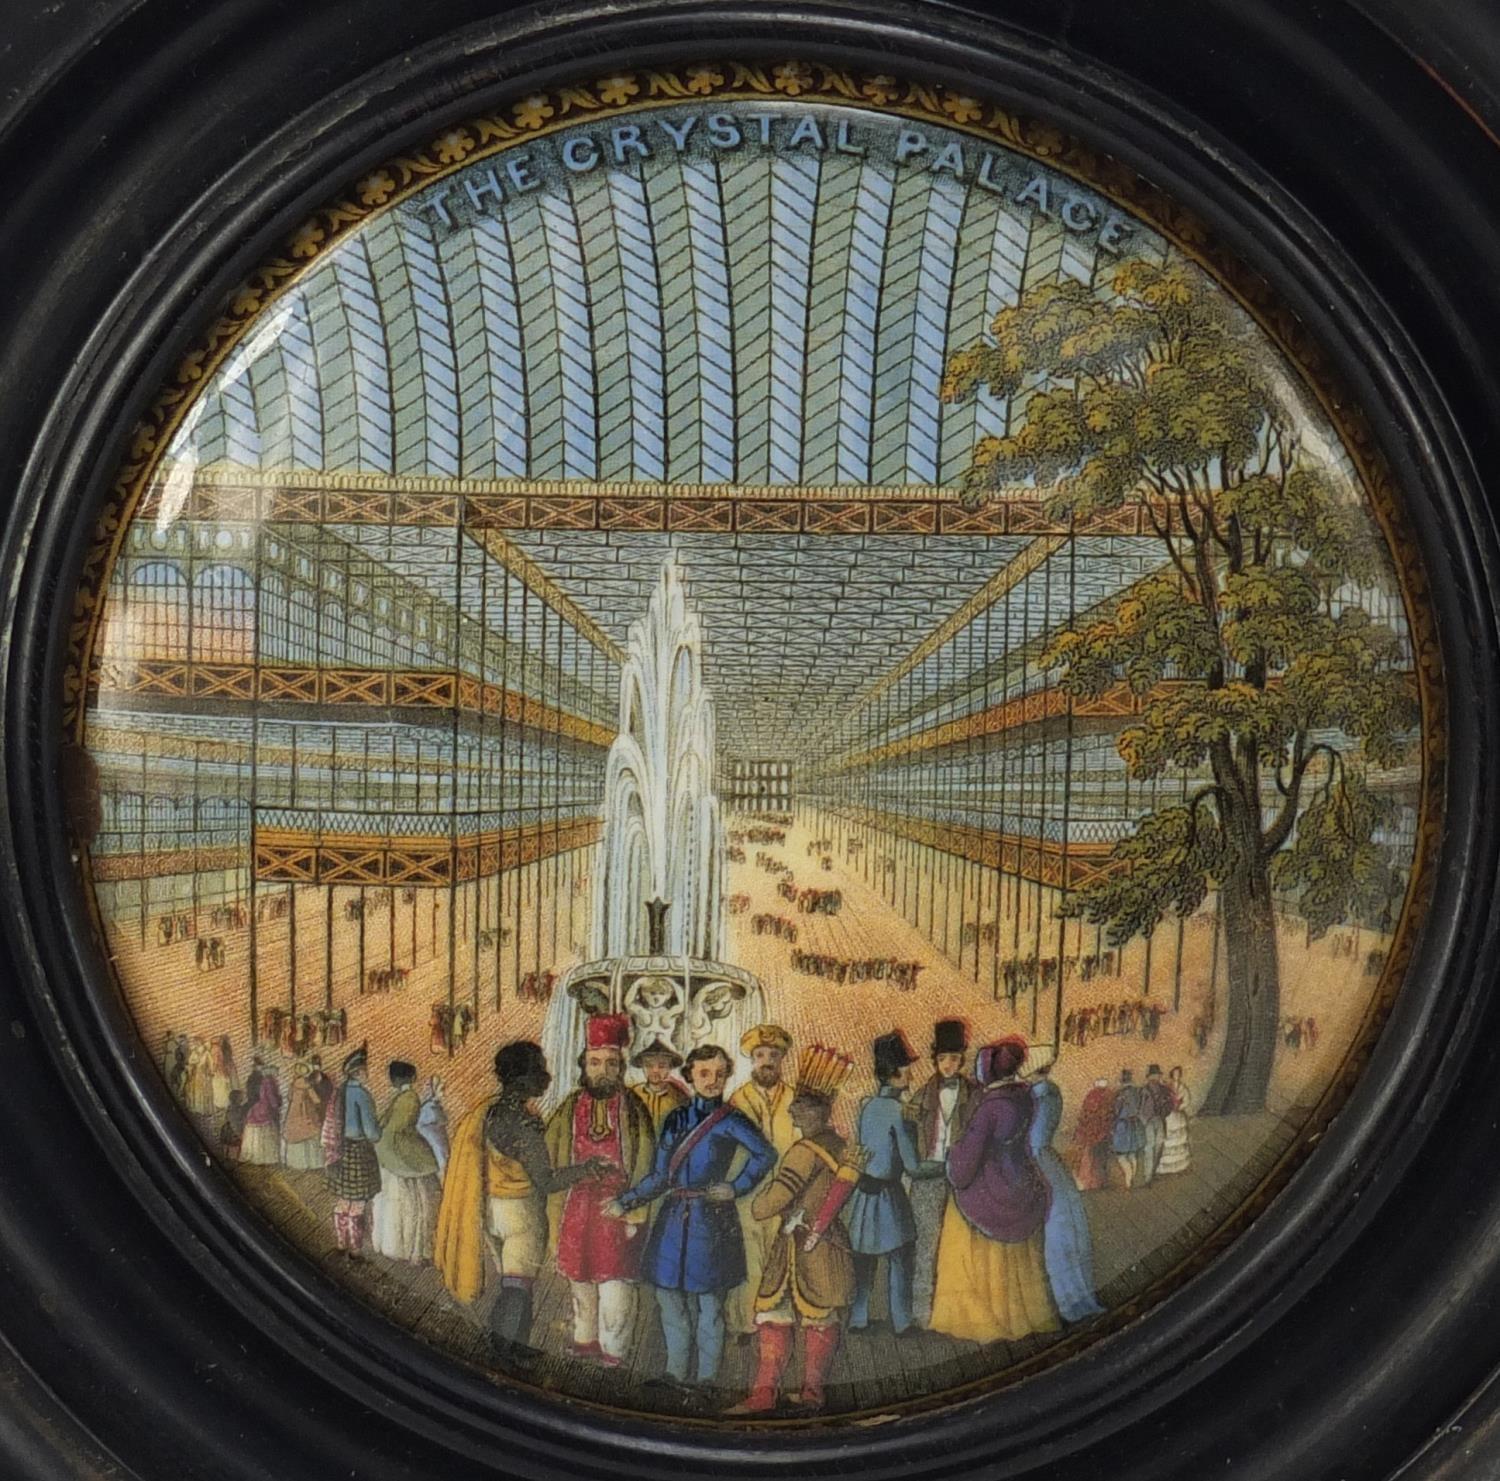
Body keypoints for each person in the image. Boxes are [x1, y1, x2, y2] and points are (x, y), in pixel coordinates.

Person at [605, 1045, 776, 1401]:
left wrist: (736, 1187)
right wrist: (626, 1201)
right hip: (672, 1220)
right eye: (703, 1074)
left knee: (710, 1305)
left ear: (727, 1075)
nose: (712, 1081)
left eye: (719, 1074)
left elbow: (765, 1154)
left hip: (711, 1222)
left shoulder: (732, 1120)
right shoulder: (675, 1119)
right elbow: (661, 1175)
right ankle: (675, 1372)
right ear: (690, 1076)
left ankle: (707, 1381)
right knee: (669, 1298)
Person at [435, 1041, 606, 1362]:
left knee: (514, 1284)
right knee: (518, 1286)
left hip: (491, 1209)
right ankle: (500, 1352)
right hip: (520, 1212)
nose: (546, 1077)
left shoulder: (490, 1111)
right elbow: (547, 1180)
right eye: (538, 1069)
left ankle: (514, 1346)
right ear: (521, 1078)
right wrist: (588, 1169)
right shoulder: (523, 1123)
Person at [727, 1046, 861, 1415]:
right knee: (818, 1317)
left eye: (800, 1105)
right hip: (827, 1244)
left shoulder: (805, 1151)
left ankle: (765, 1394)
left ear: (818, 1110)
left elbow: (768, 1202)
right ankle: (810, 1393)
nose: (792, 1110)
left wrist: (756, 1206)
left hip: (799, 1246)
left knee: (779, 1314)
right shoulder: (839, 1144)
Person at [929, 1037, 1059, 1343]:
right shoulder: (1024, 1097)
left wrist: (951, 1157)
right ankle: (1020, 1316)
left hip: (990, 1187)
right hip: (1020, 1183)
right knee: (1020, 1261)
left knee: (962, 1241)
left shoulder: (991, 1106)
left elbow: (963, 1168)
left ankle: (979, 1320)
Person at [545, 1015, 655, 1366]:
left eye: (610, 1063)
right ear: (584, 1065)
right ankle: (585, 1340)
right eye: (594, 1063)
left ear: (621, 1067)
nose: (602, 1070)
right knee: (580, 1281)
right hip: (576, 1207)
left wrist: (633, 1210)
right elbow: (551, 1153)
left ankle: (615, 1353)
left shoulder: (633, 1109)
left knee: (616, 1287)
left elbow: (647, 1161)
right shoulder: (569, 1107)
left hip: (616, 1209)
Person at [846, 1031, 943, 1337]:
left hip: (864, 1196)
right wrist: (944, 1165)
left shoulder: (867, 1106)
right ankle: (901, 1322)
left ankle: (858, 1318)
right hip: (888, 1196)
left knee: (864, 1261)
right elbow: (913, 1168)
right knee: (901, 1257)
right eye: (906, 1068)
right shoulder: (899, 1113)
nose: (911, 1073)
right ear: (894, 1073)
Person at [728, 1023, 797, 1338]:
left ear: (782, 1059)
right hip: (746, 1194)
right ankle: (744, 1322)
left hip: (786, 1193)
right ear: (751, 1060)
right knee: (747, 1257)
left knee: (782, 1254)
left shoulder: (795, 1101)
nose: (766, 1060)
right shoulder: (736, 1101)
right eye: (760, 1055)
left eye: (773, 1054)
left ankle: (776, 1321)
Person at [1027, 1046, 1103, 1323]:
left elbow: (1033, 1137)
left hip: (1037, 1160)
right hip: (1049, 1160)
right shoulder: (1050, 1092)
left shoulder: (1039, 1097)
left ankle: (1067, 1300)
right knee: (1066, 1226)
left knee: (1055, 1232)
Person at [909, 1019, 977, 1327]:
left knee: (962, 1246)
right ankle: (922, 1314)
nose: (948, 1065)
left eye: (953, 1058)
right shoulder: (922, 1095)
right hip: (929, 1176)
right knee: (926, 1245)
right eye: (942, 1059)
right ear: (935, 1061)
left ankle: (957, 1313)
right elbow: (907, 1132)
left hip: (963, 1178)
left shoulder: (975, 1094)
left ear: (962, 1060)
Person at [372, 1061, 442, 1264]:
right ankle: (413, 1249)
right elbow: (402, 1126)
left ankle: (396, 1246)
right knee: (417, 1202)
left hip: (389, 1150)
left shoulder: (400, 1098)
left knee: (400, 1200)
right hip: (401, 1152)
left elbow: (384, 1123)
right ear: (412, 1078)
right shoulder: (411, 1097)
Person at [321, 1044, 382, 1258]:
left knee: (342, 1200)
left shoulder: (340, 1092)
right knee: (358, 1202)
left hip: (340, 1151)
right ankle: (355, 1248)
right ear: (357, 1071)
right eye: (365, 1068)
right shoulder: (362, 1095)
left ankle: (340, 1243)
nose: (367, 1071)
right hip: (359, 1151)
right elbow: (372, 1133)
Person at [630, 1039, 688, 1135]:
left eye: (661, 1066)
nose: (655, 1070)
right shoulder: (633, 1094)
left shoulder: (679, 1098)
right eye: (649, 1065)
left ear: (670, 1068)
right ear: (642, 1067)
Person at [284, 1057, 332, 1171]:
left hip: (294, 1111)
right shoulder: (307, 1084)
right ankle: (313, 1163)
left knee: (296, 1133)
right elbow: (316, 1100)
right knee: (311, 1133)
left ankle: (297, 1163)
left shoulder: (294, 1083)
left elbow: (289, 1097)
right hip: (307, 1111)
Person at [1071, 1078, 1115, 1192]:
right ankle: (1102, 1182)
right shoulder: (1110, 1096)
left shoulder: (1092, 1096)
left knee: (1091, 1156)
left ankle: (1092, 1183)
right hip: (1105, 1132)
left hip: (1093, 1132)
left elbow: (1085, 1114)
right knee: (1102, 1158)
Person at [239, 1055, 283, 1166]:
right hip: (265, 1107)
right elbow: (271, 1097)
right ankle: (264, 1157)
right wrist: (277, 1105)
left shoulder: (264, 1080)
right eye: (275, 1071)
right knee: (267, 1129)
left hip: (258, 1106)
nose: (277, 1074)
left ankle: (255, 1155)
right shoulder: (268, 1081)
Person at [1111, 1069, 1147, 1190]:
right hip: (1135, 1125)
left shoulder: (1120, 1095)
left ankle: (1128, 1181)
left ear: (1123, 1081)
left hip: (1123, 1127)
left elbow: (1116, 1111)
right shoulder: (1137, 1092)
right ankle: (1132, 1179)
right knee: (1132, 1154)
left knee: (1121, 1156)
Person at [1157, 1066, 1192, 1175]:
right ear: (1172, 1075)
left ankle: (1178, 1167)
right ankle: (1164, 1168)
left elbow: (1187, 1100)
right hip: (1168, 1115)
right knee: (1166, 1140)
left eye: (1178, 1074)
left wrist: (1179, 1107)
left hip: (1177, 1115)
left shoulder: (1182, 1088)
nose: (1176, 1076)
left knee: (1178, 1141)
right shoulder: (1167, 1086)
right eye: (1174, 1074)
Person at [1141, 1064, 1173, 1183]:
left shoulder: (1164, 1089)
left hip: (1160, 1119)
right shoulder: (1144, 1090)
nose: (1154, 1078)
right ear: (1149, 1077)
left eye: (1156, 1075)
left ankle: (1152, 1173)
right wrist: (1144, 1120)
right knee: (1150, 1147)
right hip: (1149, 1121)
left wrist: (1165, 1111)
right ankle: (1148, 1176)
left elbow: (1170, 1104)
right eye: (1152, 1076)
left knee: (1159, 1145)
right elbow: (1140, 1107)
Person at [417, 1075, 450, 1178]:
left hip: (439, 1145)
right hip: (435, 1147)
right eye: (441, 1089)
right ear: (434, 1089)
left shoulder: (434, 1106)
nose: (444, 1092)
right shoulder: (430, 1109)